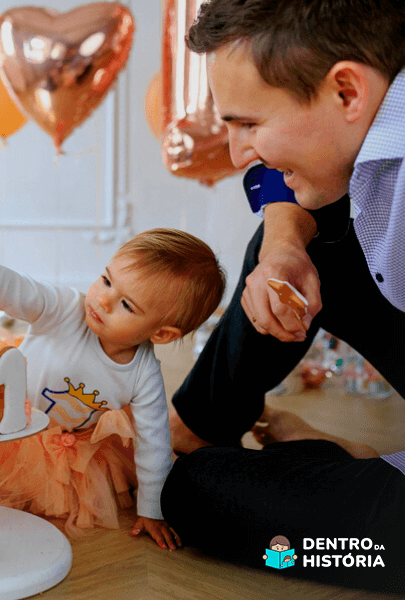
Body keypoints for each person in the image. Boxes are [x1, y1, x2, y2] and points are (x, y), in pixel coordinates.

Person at [159, 0, 405, 592]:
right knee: (296, 222)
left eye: (249, 124)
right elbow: (280, 181)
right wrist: (283, 246)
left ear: (348, 92)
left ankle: (348, 465)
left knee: (205, 502)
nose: (239, 154)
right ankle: (198, 425)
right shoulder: (364, 109)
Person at [0, 228, 226, 549]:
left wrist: (152, 510)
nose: (103, 299)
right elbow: (16, 289)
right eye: (107, 280)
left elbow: (155, 445)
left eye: (126, 305)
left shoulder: (144, 374)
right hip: (10, 416)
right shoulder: (65, 308)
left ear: (161, 334)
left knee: (46, 501)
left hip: (68, 442)